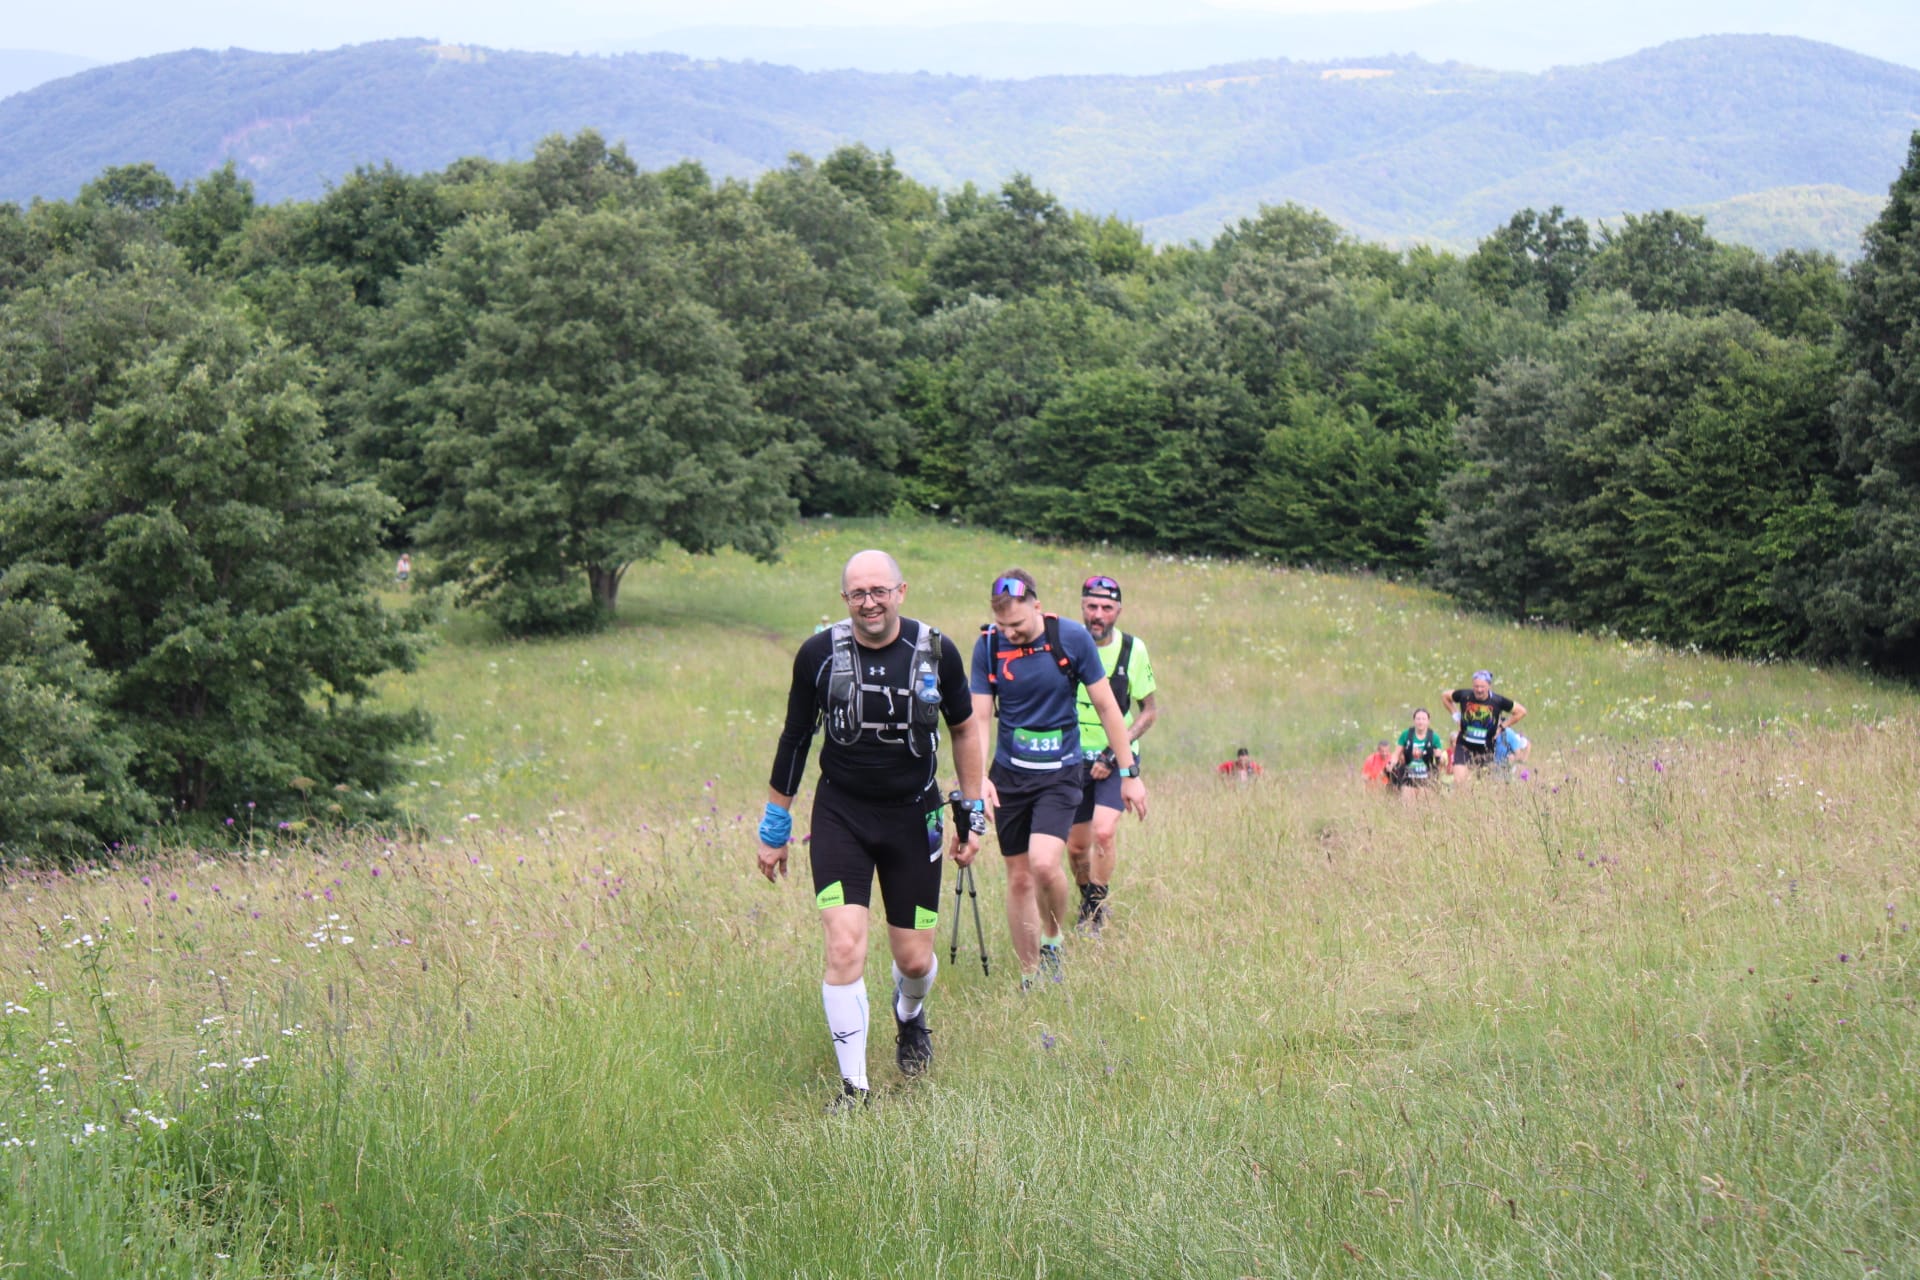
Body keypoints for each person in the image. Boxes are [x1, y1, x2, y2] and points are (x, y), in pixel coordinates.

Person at [758, 549, 988, 1111]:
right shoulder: (818, 655)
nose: (869, 603)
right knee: (843, 945)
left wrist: (971, 812)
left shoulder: (936, 651)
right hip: (841, 816)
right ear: (845, 599)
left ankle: (910, 1016)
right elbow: (795, 738)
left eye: (879, 591)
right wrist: (775, 824)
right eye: (858, 593)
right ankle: (854, 1089)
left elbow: (964, 730)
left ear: (900, 592)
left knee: (914, 961)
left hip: (917, 816)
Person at [971, 570, 1145, 988]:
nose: (1011, 633)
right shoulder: (988, 646)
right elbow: (978, 719)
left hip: (1060, 773)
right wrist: (977, 779)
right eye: (1003, 625)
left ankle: (1052, 939)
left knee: (1045, 863)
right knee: (1018, 877)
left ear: (1037, 606)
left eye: (1018, 624)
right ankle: (1030, 975)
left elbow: (1107, 706)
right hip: (1010, 776)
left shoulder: (1070, 639)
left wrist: (1129, 774)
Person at [1066, 574, 1158, 934]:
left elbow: (1149, 711)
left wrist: (1112, 753)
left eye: (1106, 607)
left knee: (1103, 833)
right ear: (1082, 606)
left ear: (1118, 610)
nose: (1098, 614)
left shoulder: (1133, 649)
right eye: (1092, 606)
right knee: (1076, 848)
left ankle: (1094, 911)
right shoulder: (1067, 644)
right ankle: (1087, 900)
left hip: (1117, 757)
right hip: (1073, 758)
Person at [1442, 670, 1527, 780]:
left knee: (1481, 783)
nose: (1479, 690)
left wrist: (1502, 727)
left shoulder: (1497, 700)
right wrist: (1456, 716)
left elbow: (1521, 711)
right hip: (1464, 745)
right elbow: (1445, 696)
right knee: (1459, 781)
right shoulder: (1464, 695)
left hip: (1486, 748)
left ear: (1489, 686)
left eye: (1482, 687)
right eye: (1476, 686)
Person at [1394, 709, 1447, 800]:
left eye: (1423, 719)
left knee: (1425, 804)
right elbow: (1396, 754)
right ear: (1414, 720)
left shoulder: (1434, 737)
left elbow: (1441, 763)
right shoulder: (1406, 735)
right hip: (1408, 776)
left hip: (1427, 777)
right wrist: (1391, 764)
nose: (1420, 722)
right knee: (1407, 804)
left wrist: (1439, 757)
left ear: (1428, 721)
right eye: (1418, 719)